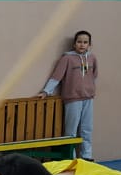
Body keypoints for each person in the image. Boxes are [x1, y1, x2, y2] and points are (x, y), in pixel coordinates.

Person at [38, 30, 97, 161]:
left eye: (85, 42)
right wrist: (46, 91)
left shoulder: (92, 58)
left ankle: (87, 157)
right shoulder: (67, 59)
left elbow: (94, 76)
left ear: (89, 44)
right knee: (71, 131)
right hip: (73, 99)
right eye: (79, 42)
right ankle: (71, 158)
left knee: (87, 129)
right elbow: (56, 76)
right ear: (74, 44)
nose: (82, 44)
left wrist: (90, 89)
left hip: (88, 98)